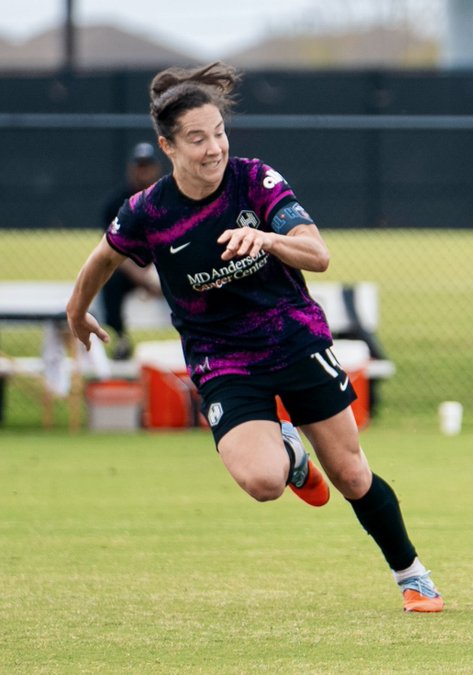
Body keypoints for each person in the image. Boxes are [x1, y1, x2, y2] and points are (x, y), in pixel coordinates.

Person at [65, 62, 443, 613]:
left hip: (293, 340)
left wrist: (266, 238)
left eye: (218, 132)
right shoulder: (148, 212)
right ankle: (289, 456)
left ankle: (412, 574)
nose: (213, 147)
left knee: (350, 473)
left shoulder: (255, 180)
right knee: (263, 481)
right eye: (197, 138)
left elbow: (319, 254)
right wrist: (76, 312)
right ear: (167, 147)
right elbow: (104, 257)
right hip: (222, 360)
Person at [98, 142, 164, 360]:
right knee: (110, 281)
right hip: (131, 266)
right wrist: (143, 279)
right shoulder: (116, 202)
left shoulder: (169, 197)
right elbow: (108, 248)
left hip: (165, 262)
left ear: (156, 168)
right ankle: (120, 338)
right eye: (139, 166)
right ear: (131, 168)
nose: (143, 171)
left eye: (148, 166)